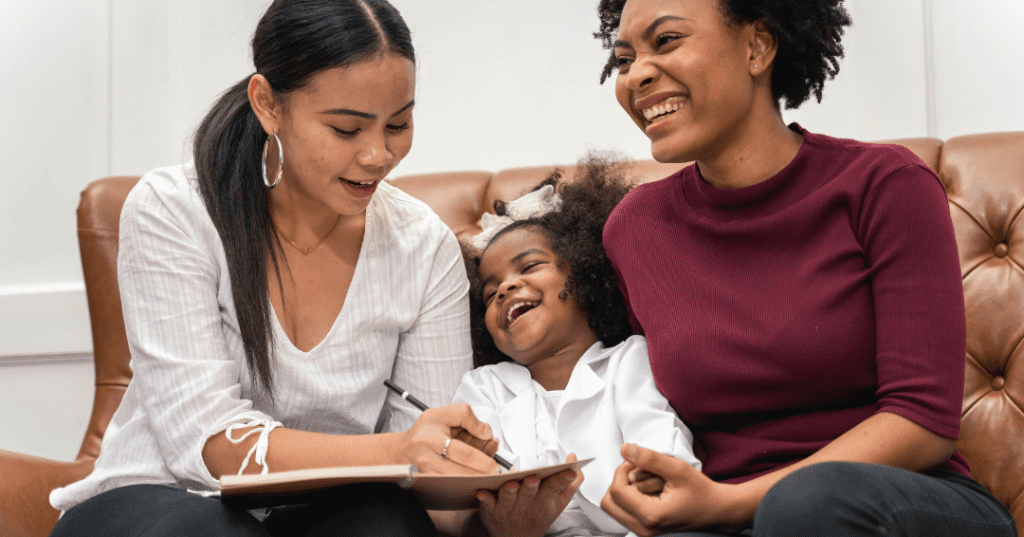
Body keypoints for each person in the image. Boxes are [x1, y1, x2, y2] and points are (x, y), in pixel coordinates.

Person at [48, 1, 500, 536]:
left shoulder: (424, 246)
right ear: (267, 105)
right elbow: (209, 444)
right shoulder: (174, 209)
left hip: (322, 510)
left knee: (389, 525)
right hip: (161, 498)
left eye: (398, 124)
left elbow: (423, 482)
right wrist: (401, 449)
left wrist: (490, 504)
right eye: (346, 129)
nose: (379, 155)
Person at [593, 0, 1018, 536]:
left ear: (758, 47)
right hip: (725, 516)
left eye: (667, 41)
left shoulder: (884, 185)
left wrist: (725, 505)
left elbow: (923, 422)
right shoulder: (634, 229)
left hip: (897, 505)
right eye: (625, 58)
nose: (639, 73)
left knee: (805, 507)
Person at [446, 161, 701, 537]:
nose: (504, 289)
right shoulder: (484, 387)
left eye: (529, 266)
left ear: (584, 272)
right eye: (489, 292)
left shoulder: (628, 361)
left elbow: (661, 447)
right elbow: (481, 492)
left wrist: (656, 475)